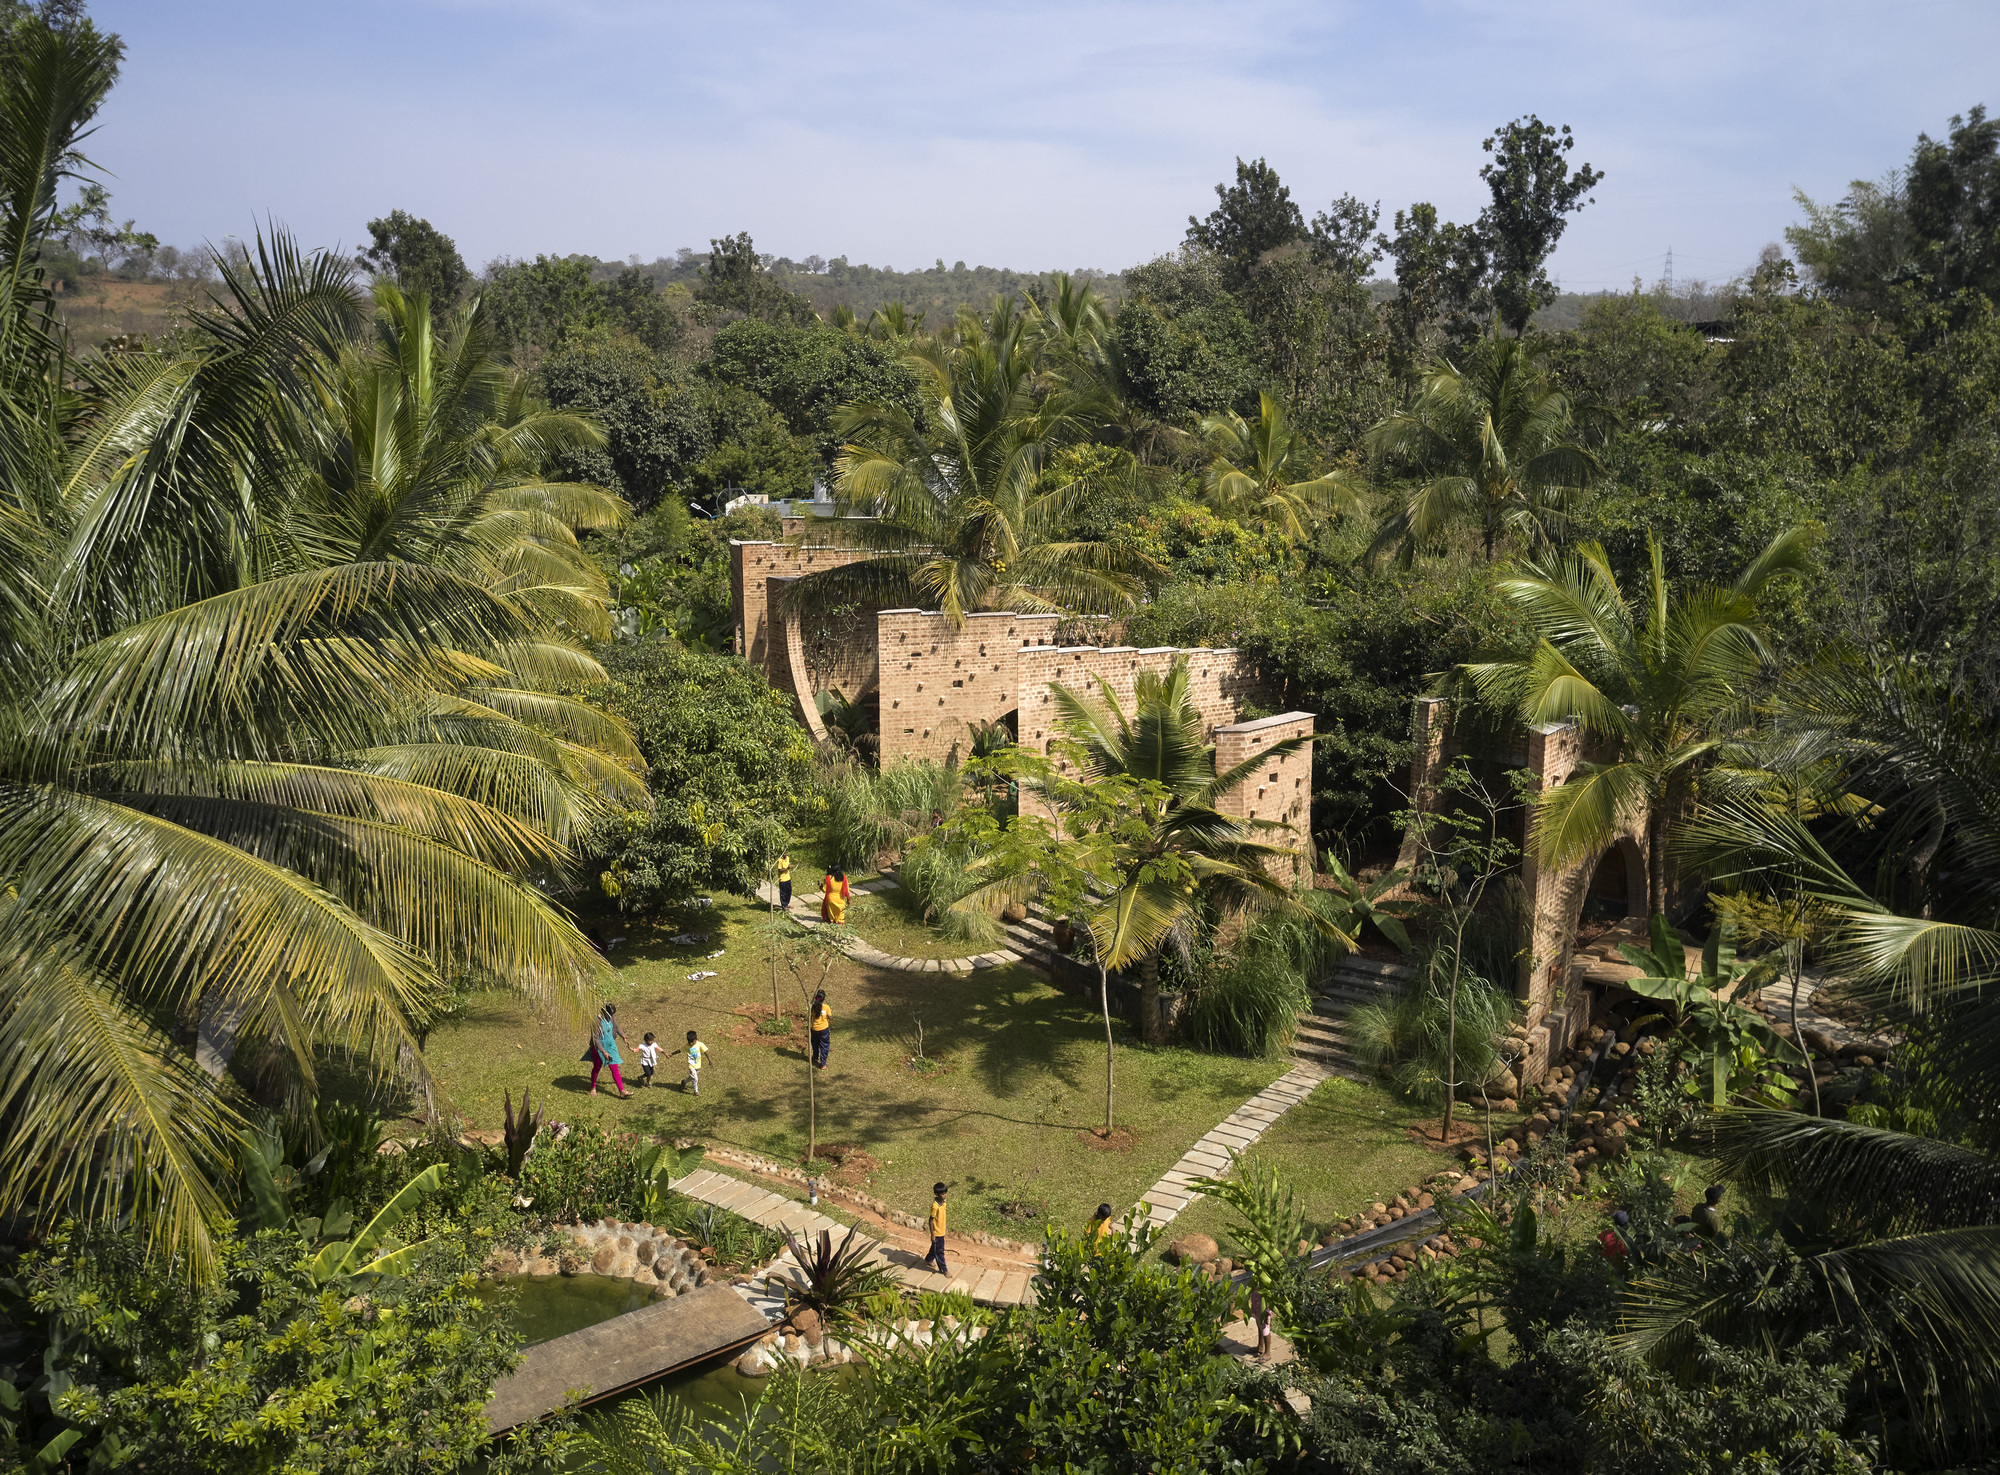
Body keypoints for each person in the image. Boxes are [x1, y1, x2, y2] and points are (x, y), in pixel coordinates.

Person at [584, 1003, 629, 1098]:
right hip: (599, 1048)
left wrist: (623, 1036)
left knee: (614, 1067)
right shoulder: (596, 1021)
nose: (611, 1017)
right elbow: (595, 1039)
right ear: (604, 1012)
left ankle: (622, 1091)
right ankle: (593, 1087)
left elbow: (616, 1027)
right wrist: (603, 1052)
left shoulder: (611, 1017)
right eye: (609, 1015)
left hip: (610, 1046)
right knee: (597, 1067)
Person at [923, 1182, 949, 1275]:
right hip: (937, 1232)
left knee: (935, 1248)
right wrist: (932, 1234)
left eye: (945, 1193)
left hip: (942, 1231)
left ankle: (928, 1259)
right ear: (937, 1194)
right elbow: (931, 1220)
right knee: (940, 1251)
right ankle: (944, 1269)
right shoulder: (935, 1206)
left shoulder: (943, 1203)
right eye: (942, 1194)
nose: (945, 1195)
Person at [683, 1029, 710, 1095]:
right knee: (695, 1078)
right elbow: (680, 1050)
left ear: (696, 1039)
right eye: (690, 1042)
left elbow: (706, 1052)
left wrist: (710, 1060)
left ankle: (684, 1081)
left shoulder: (700, 1044)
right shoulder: (687, 1046)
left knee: (692, 1077)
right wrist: (672, 1054)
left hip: (698, 1065)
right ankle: (696, 1091)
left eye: (693, 1041)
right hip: (691, 1065)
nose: (691, 1043)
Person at [810, 990, 831, 1070]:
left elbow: (811, 1016)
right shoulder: (826, 1007)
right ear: (823, 998)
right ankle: (823, 1064)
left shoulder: (813, 1007)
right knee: (824, 1045)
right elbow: (830, 1017)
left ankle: (815, 1057)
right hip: (824, 1029)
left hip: (814, 1028)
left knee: (815, 1043)